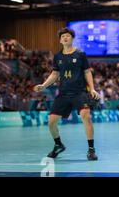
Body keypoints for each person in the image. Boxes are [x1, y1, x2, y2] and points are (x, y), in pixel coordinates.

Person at [34, 27, 100, 161]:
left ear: (72, 38)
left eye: (68, 36)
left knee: (86, 116)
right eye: (63, 36)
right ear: (60, 40)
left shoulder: (80, 54)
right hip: (63, 94)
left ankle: (91, 150)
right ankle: (58, 145)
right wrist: (43, 85)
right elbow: (55, 74)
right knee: (51, 122)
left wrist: (92, 89)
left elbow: (87, 72)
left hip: (79, 92)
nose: (65, 38)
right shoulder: (58, 57)